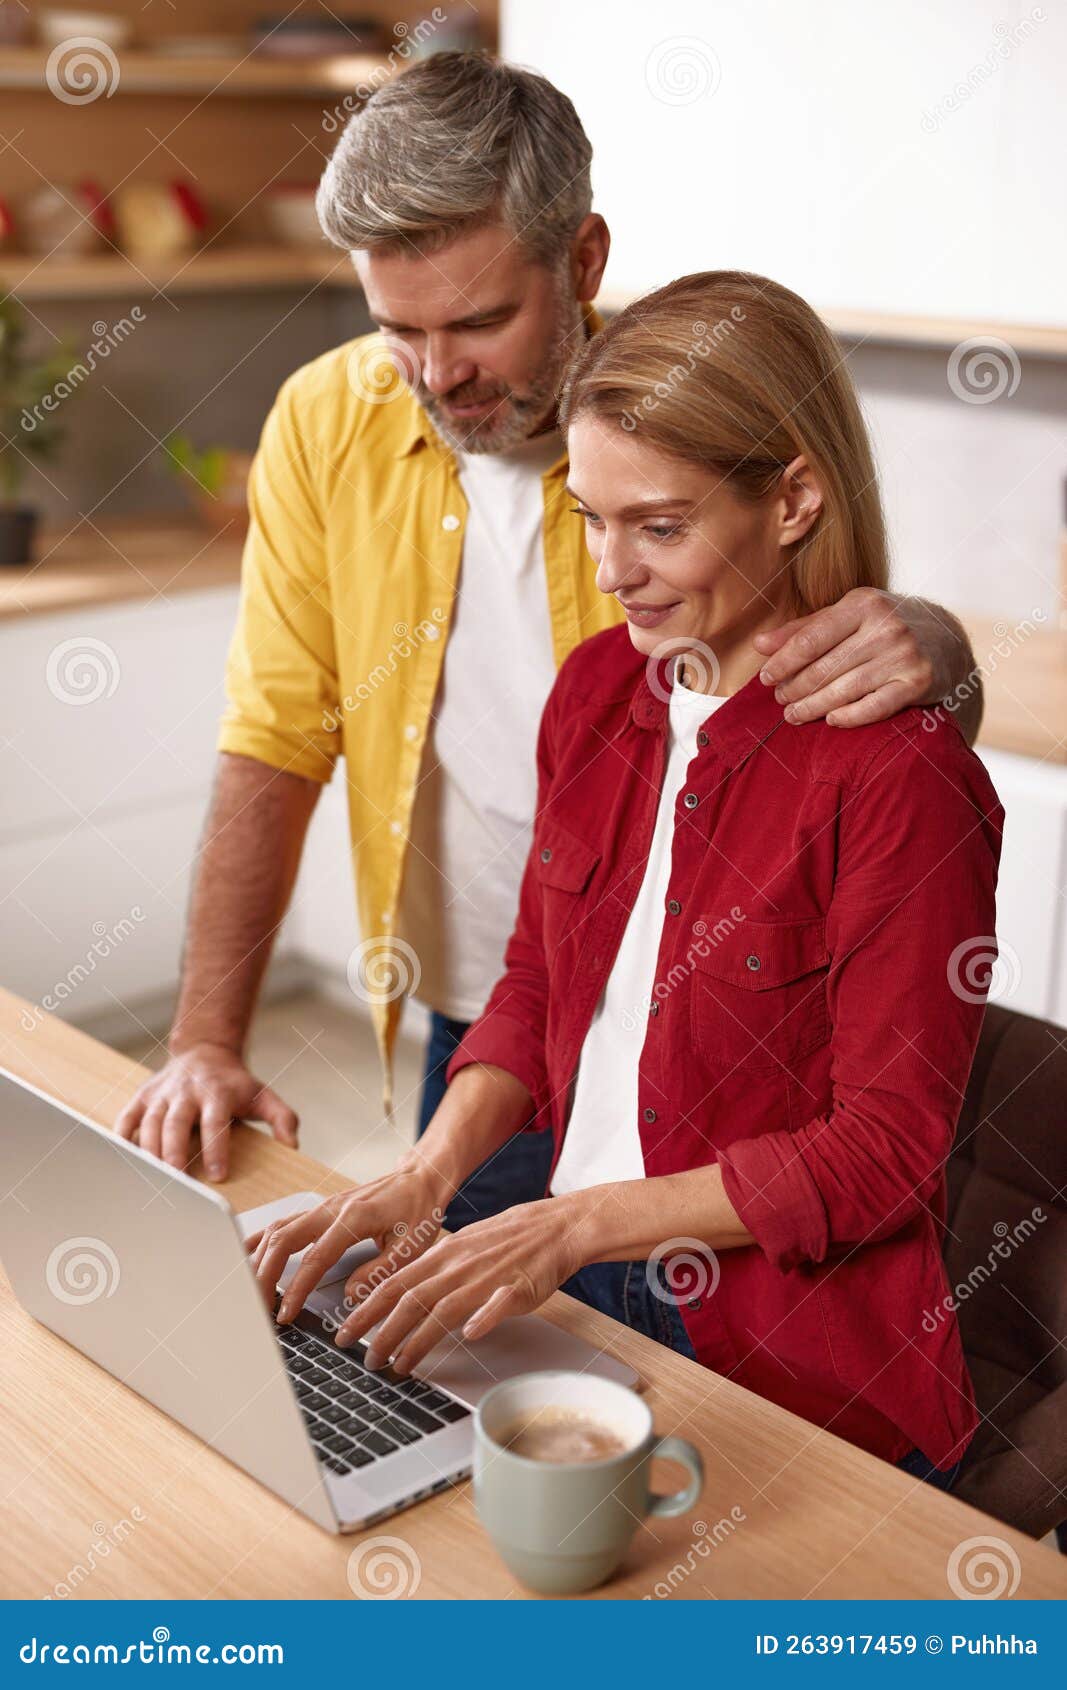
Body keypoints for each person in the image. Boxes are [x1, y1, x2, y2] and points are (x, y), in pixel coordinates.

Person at [118, 52, 981, 1233]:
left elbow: (836, 698)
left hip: (708, 1026)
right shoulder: (329, 421)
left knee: (672, 1332)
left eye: (477, 320)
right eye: (396, 330)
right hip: (494, 1014)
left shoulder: (681, 414)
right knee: (456, 1355)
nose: (435, 373)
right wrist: (207, 1043)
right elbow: (274, 737)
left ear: (581, 261)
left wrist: (936, 644)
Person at [251, 270, 1002, 1485]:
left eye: (657, 526)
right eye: (590, 517)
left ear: (795, 497)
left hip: (781, 1357)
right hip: (576, 1283)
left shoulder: (896, 774)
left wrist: (570, 1220)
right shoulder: (598, 691)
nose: (611, 569)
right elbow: (543, 982)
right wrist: (429, 1176)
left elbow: (883, 1154)